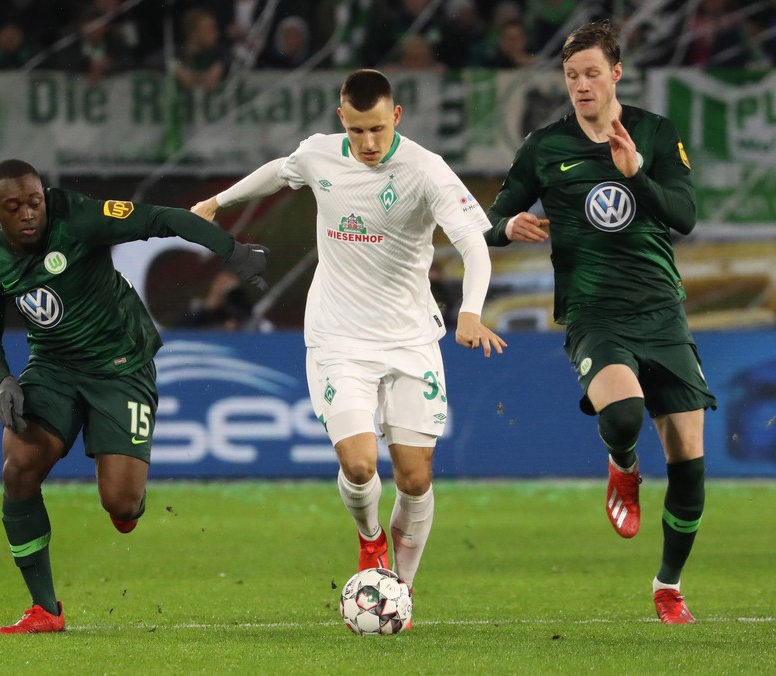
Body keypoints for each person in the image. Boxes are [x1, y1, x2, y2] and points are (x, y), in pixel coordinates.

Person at [192, 69, 506, 624]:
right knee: (360, 466)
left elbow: (473, 246)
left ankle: (398, 593)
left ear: (397, 118)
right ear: (342, 118)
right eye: (357, 130)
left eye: (378, 130)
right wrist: (218, 201)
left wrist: (472, 311)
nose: (367, 143)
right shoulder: (318, 155)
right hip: (338, 337)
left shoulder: (426, 169)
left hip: (410, 338)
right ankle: (369, 540)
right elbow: (276, 173)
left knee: (415, 478)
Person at [0, 159, 269, 634]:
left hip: (121, 366)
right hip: (53, 368)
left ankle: (123, 487)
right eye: (14, 207)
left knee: (122, 504)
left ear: (45, 196)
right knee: (17, 465)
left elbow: (160, 218)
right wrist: (3, 381)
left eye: (34, 201)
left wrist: (230, 251)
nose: (28, 213)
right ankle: (45, 609)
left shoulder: (80, 218)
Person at [484, 20, 716, 624]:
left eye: (591, 73)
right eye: (571, 76)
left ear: (615, 73)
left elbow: (686, 217)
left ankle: (668, 585)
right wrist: (506, 228)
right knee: (623, 414)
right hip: (594, 313)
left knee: (690, 464)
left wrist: (637, 170)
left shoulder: (656, 134)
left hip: (661, 311)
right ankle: (623, 466)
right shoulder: (545, 147)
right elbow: (485, 223)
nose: (581, 85)